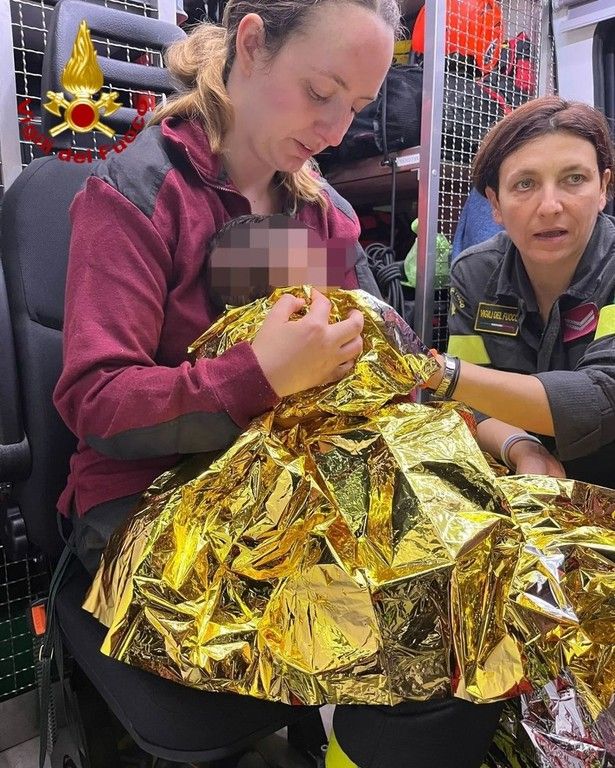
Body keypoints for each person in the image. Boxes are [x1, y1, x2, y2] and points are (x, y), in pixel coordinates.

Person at [54, 2, 505, 767]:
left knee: (489, 587)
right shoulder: (134, 197)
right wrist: (256, 375)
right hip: (153, 495)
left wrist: (495, 441)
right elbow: (97, 403)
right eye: (320, 91)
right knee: (417, 650)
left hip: (302, 481)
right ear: (254, 44)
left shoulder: (322, 214)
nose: (335, 131)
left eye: (357, 107)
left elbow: (389, 361)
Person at [425, 96, 615, 489]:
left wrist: (434, 371)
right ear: (495, 203)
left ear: (603, 188)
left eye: (574, 179)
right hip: (528, 498)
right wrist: (519, 446)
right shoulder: (475, 274)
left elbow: (600, 399)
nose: (549, 206)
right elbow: (468, 402)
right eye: (524, 184)